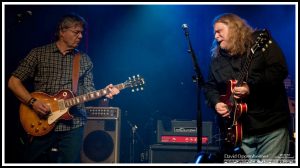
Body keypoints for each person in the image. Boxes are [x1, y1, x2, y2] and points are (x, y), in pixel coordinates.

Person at [7, 13, 120, 163]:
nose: (80, 36)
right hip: (41, 121)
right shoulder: (38, 54)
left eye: (81, 33)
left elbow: (88, 91)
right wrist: (32, 102)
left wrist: (105, 93)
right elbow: (13, 82)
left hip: (73, 125)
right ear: (62, 31)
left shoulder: (84, 60)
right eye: (76, 32)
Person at [203, 13, 292, 163]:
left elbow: (279, 70)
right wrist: (216, 102)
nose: (216, 36)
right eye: (214, 33)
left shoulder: (259, 42)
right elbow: (210, 86)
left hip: (270, 127)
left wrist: (251, 86)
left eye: (219, 31)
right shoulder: (216, 60)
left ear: (233, 28)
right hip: (238, 133)